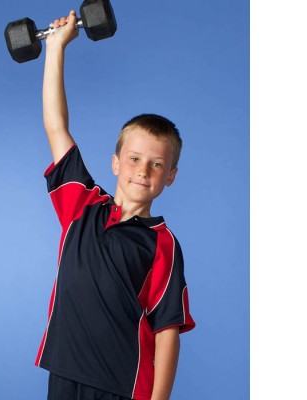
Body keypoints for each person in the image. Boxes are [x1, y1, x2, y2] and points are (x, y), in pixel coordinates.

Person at [34, 10, 196, 400]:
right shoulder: (81, 204)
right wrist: (55, 48)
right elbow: (56, 126)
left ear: (170, 176)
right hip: (64, 369)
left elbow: (167, 331)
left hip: (122, 386)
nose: (143, 170)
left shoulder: (162, 244)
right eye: (134, 159)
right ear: (116, 163)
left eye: (157, 164)